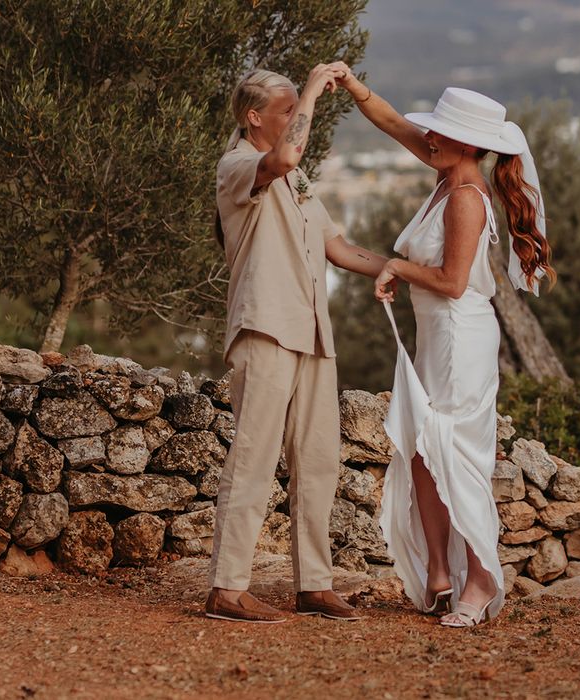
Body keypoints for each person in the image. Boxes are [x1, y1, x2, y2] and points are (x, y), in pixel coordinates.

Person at [337, 69, 555, 627]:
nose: (427, 138)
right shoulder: (444, 169)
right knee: (420, 451)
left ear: (468, 144)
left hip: (461, 335)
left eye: (439, 133)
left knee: (455, 456)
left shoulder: (465, 197)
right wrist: (352, 85)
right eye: (431, 131)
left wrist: (397, 265)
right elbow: (391, 123)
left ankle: (480, 580)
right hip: (437, 334)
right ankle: (438, 570)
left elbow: (454, 282)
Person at [205, 64, 393, 624]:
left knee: (318, 461)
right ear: (254, 117)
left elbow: (338, 248)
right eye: (284, 110)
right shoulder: (240, 166)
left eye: (297, 109)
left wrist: (404, 270)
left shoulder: (297, 180)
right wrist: (311, 88)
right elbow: (285, 156)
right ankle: (225, 588)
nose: (294, 119)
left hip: (313, 333)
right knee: (254, 458)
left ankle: (314, 584)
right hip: (265, 327)